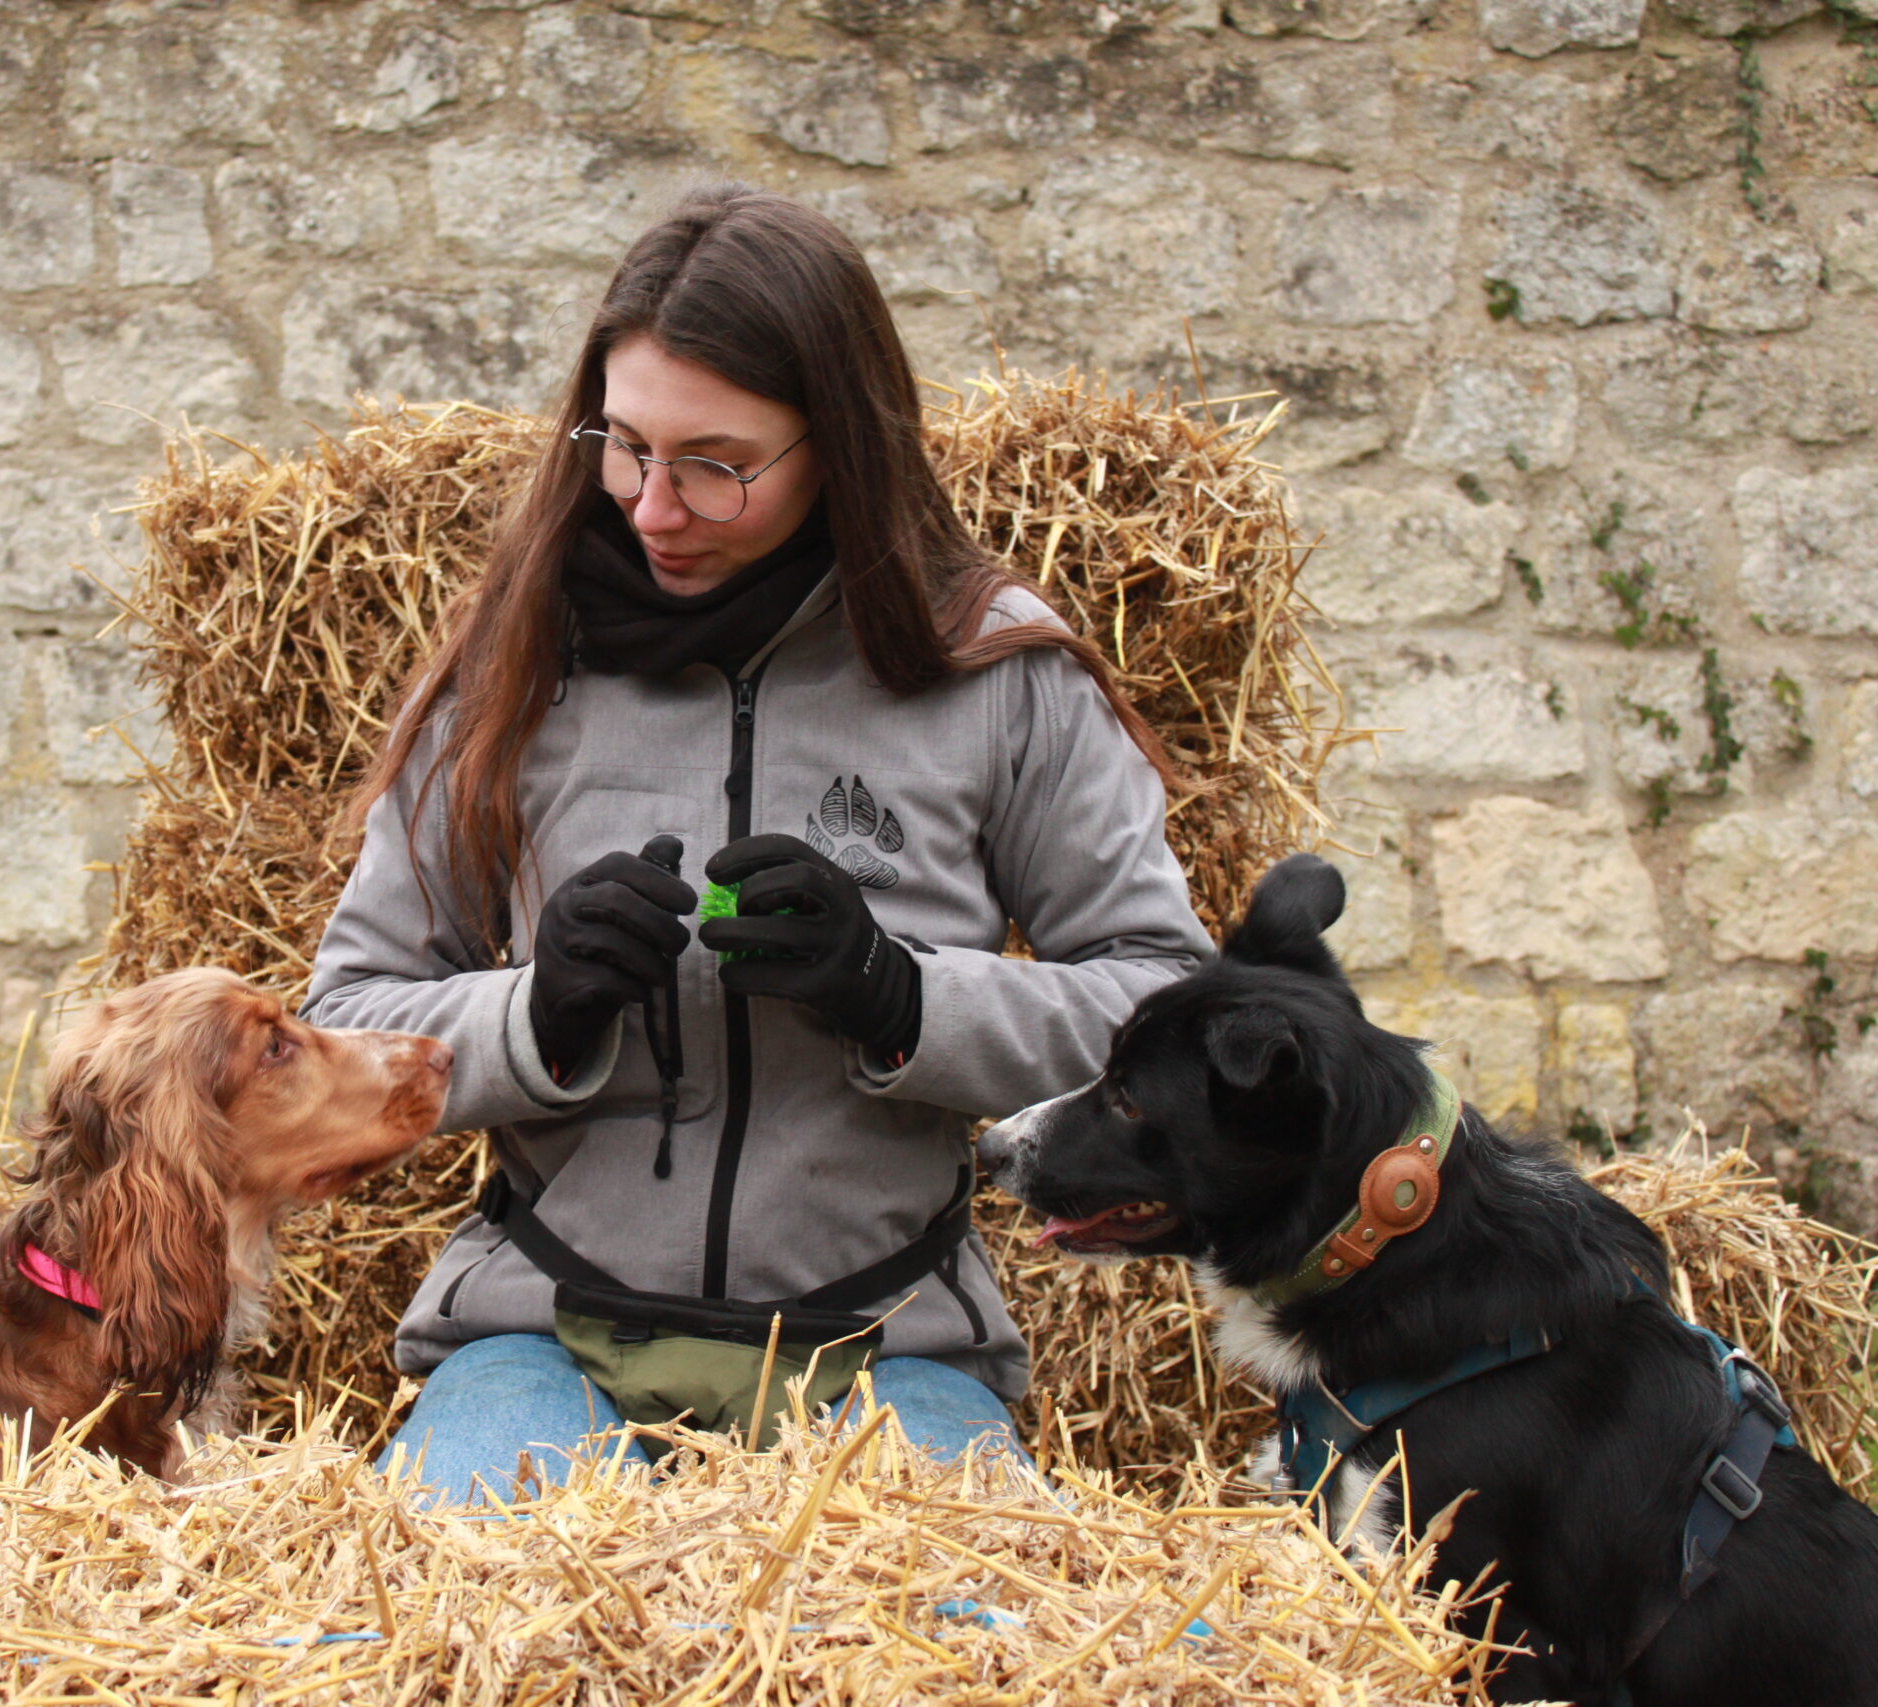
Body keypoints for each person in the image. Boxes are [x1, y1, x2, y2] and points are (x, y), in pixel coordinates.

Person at [301, 184, 1212, 1505]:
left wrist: (902, 998)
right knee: (448, 1634)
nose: (655, 507)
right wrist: (537, 1016)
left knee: (998, 1654)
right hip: (543, 1340)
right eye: (623, 447)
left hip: (889, 1351)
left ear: (838, 444)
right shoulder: (510, 667)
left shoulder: (997, 670)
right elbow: (347, 1018)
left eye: (717, 463)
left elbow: (1164, 1005)